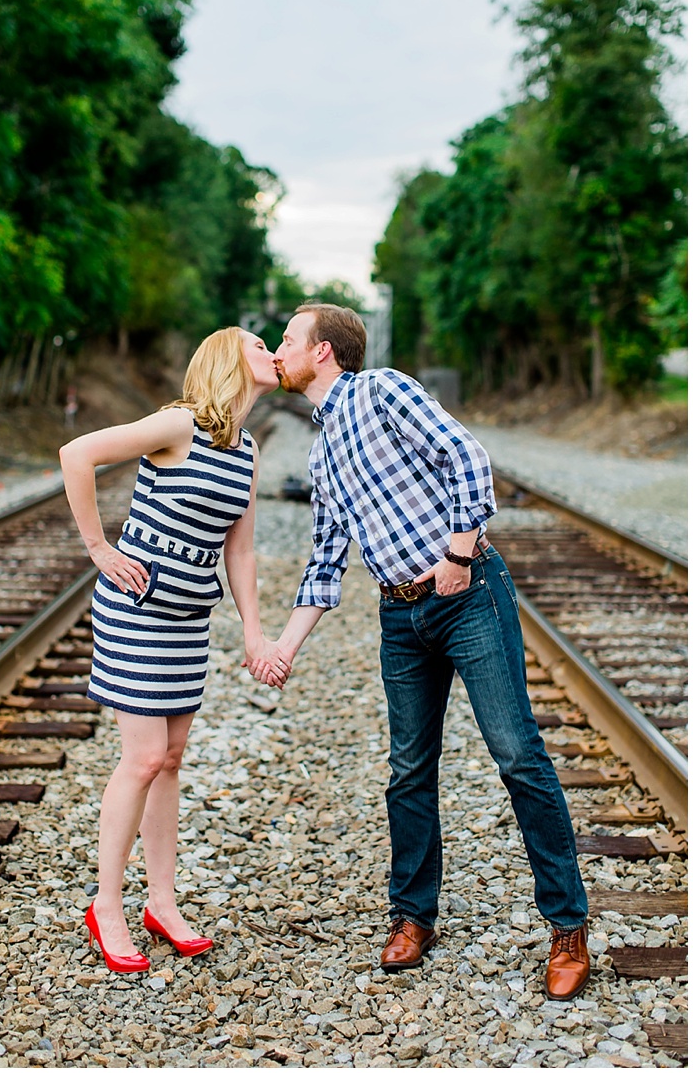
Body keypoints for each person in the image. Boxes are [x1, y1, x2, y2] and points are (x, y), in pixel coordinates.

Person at [251, 303, 590, 1001]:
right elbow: (323, 559)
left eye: (287, 339)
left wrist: (459, 552)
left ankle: (567, 925)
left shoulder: (383, 390)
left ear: (323, 352)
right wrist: (284, 647)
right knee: (408, 769)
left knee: (517, 752)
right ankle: (413, 915)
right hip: (400, 615)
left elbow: (468, 455)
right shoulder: (319, 451)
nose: (279, 350)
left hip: (467, 594)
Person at [60, 327, 288, 973]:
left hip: (189, 617)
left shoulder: (244, 448)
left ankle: (161, 901)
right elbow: (76, 452)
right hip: (137, 609)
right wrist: (100, 549)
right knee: (143, 757)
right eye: (257, 342)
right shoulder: (178, 424)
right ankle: (106, 905)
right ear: (226, 359)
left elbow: (238, 549)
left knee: (172, 759)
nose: (271, 348)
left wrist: (252, 629)